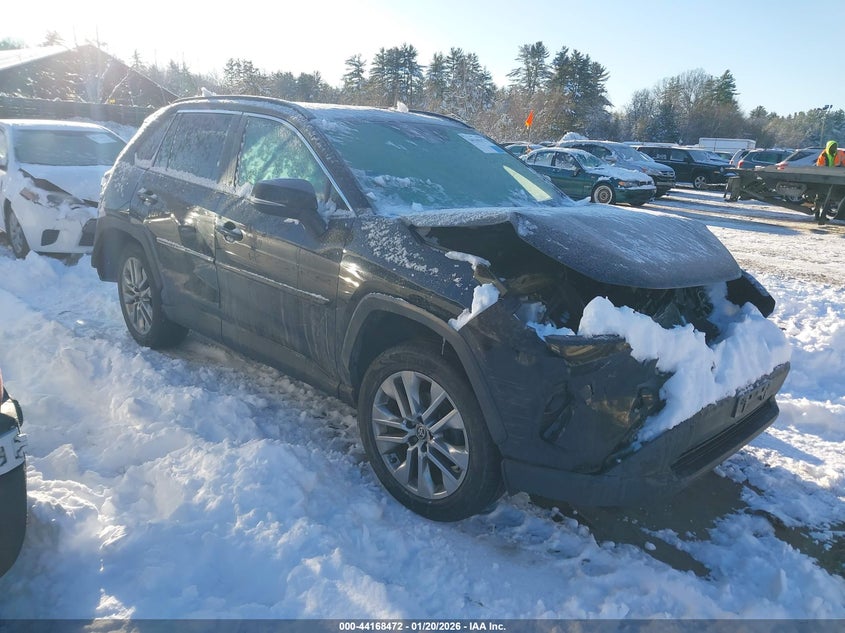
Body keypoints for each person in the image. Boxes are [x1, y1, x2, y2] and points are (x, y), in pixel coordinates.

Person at [813, 140, 845, 224]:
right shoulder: (823, 155)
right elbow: (819, 167)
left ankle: (823, 216)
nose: (833, 148)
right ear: (828, 147)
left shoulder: (840, 153)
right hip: (824, 178)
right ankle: (817, 215)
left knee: (828, 198)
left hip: (836, 178)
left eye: (835, 146)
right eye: (832, 147)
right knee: (820, 197)